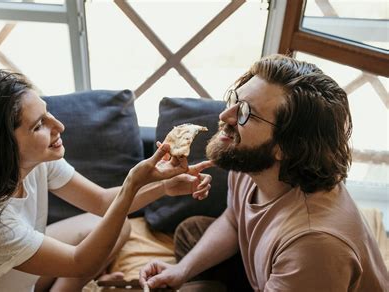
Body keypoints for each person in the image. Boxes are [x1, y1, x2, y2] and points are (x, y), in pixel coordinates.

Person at [0, 69, 213, 292]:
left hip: (18, 270)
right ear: (2, 146)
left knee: (117, 224)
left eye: (48, 113)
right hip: (10, 273)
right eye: (39, 125)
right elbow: (79, 262)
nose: (59, 126)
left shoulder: (37, 162)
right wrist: (134, 182)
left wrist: (163, 186)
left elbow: (102, 202)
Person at [139, 54, 388, 291]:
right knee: (191, 230)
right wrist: (182, 270)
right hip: (273, 274)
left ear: (286, 147)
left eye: (246, 113)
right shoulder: (253, 161)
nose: (225, 115)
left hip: (304, 273)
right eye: (235, 100)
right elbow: (234, 220)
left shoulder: (314, 244)